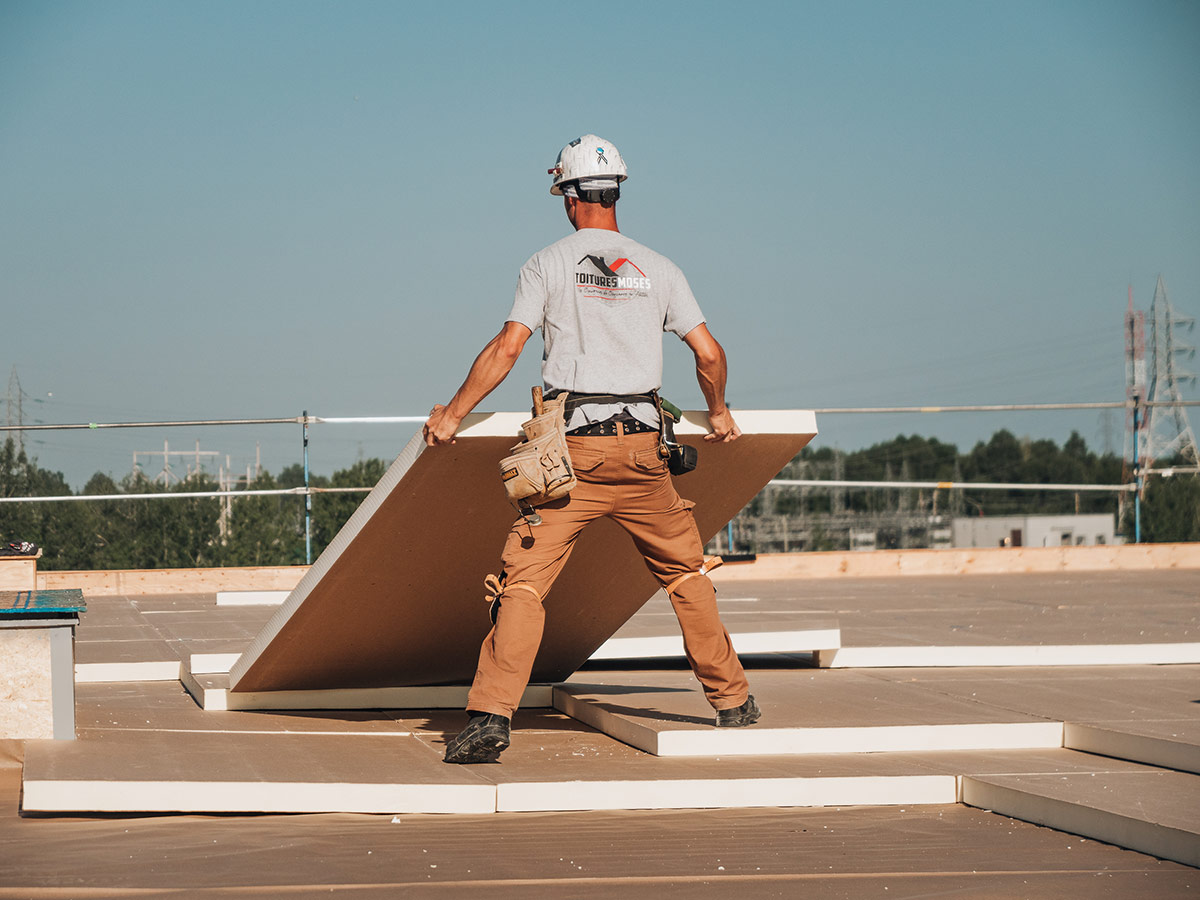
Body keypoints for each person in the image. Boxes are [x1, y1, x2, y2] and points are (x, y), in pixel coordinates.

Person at [423, 134, 759, 764]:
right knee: (685, 573)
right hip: (643, 456)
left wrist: (451, 415)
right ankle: (733, 701)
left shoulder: (546, 264)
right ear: (615, 193)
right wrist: (716, 412)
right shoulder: (660, 269)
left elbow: (507, 348)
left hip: (570, 460)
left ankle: (492, 718)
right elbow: (709, 354)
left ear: (567, 196)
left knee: (523, 585)